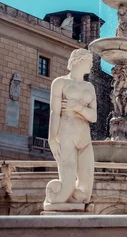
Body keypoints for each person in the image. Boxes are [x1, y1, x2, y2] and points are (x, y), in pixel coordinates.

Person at [44, 49, 97, 209]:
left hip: (84, 136)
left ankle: (76, 208)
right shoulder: (60, 83)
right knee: (66, 187)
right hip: (66, 133)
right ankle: (55, 202)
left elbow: (93, 117)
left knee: (85, 189)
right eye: (89, 61)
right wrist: (52, 138)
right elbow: (54, 112)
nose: (91, 65)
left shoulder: (90, 86)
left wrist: (77, 107)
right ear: (78, 61)